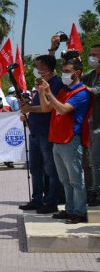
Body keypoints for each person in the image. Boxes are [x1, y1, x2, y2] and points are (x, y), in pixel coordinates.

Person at [39, 58, 93, 224]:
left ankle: (80, 212)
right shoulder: (64, 91)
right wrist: (41, 92)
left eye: (68, 71)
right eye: (63, 71)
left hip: (71, 140)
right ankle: (70, 209)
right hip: (58, 139)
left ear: (78, 73)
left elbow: (63, 109)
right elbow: (46, 108)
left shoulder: (82, 93)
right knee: (65, 180)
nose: (64, 74)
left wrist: (49, 93)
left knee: (76, 180)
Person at [19, 54, 65, 214]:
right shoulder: (40, 84)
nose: (35, 69)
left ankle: (51, 201)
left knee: (50, 169)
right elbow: (39, 105)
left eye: (37, 66)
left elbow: (49, 108)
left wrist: (30, 109)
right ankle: (37, 199)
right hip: (35, 131)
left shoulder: (56, 84)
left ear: (45, 67)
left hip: (47, 132)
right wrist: (28, 106)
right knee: (35, 168)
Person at [83, 44, 100, 206]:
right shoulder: (91, 74)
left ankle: (97, 192)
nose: (92, 57)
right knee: (94, 162)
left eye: (95, 54)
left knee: (96, 161)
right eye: (91, 54)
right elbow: (76, 82)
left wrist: (81, 87)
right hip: (92, 123)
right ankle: (95, 191)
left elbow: (94, 91)